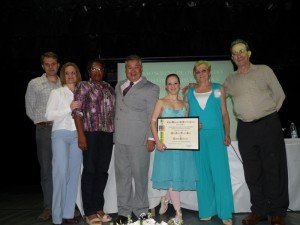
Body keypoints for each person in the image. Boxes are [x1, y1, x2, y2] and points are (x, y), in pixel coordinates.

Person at [224, 39, 289, 225]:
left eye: (242, 51)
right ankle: (259, 210)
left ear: (249, 53)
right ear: (232, 58)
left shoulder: (264, 70)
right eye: (235, 53)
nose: (239, 55)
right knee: (252, 172)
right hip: (245, 129)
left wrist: (266, 115)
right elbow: (216, 94)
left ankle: (278, 211)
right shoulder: (230, 79)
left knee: (273, 168)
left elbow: (280, 95)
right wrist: (193, 88)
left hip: (269, 125)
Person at [185, 60, 234, 225]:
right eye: (198, 72)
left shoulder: (219, 88)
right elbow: (185, 116)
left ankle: (225, 212)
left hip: (216, 135)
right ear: (194, 74)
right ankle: (206, 210)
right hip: (197, 137)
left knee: (220, 174)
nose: (201, 74)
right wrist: (191, 124)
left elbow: (225, 114)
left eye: (203, 70)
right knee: (202, 174)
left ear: (209, 72)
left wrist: (227, 133)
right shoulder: (189, 91)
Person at [114, 55, 160, 224]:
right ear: (125, 69)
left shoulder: (151, 88)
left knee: (140, 177)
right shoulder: (119, 85)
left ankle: (141, 211)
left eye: (136, 67)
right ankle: (123, 212)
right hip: (120, 139)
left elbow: (152, 115)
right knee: (122, 177)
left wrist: (151, 138)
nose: (132, 71)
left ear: (141, 69)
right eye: (129, 68)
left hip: (139, 139)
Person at [72, 59, 115, 225]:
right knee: (90, 171)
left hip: (107, 135)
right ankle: (89, 211)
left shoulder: (110, 88)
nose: (97, 71)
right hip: (90, 134)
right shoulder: (83, 86)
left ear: (104, 71)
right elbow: (77, 112)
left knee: (102, 172)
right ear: (89, 72)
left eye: (100, 68)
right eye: (93, 68)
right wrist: (81, 135)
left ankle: (98, 207)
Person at [150, 74, 197, 225]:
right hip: (166, 148)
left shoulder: (185, 104)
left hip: (182, 149)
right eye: (169, 83)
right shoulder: (161, 102)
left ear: (178, 84)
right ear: (166, 86)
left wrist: (196, 127)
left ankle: (166, 198)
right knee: (171, 180)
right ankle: (178, 213)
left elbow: (185, 125)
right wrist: (157, 141)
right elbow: (152, 121)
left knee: (176, 178)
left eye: (175, 83)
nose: (173, 86)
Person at [25, 51, 61, 221]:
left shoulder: (65, 83)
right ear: (42, 66)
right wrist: (42, 122)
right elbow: (30, 108)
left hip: (62, 131)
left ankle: (63, 206)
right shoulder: (34, 83)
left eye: (53, 63)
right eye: (47, 64)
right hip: (44, 130)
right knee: (47, 170)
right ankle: (48, 207)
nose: (51, 67)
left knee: (63, 170)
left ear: (58, 65)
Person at [45, 62, 82, 225]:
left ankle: (68, 214)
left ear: (77, 74)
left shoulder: (83, 91)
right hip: (60, 134)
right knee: (60, 174)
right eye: (67, 73)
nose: (70, 75)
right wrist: (69, 108)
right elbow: (48, 115)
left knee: (74, 175)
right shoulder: (57, 92)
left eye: (73, 72)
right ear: (63, 75)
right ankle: (57, 216)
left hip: (77, 135)